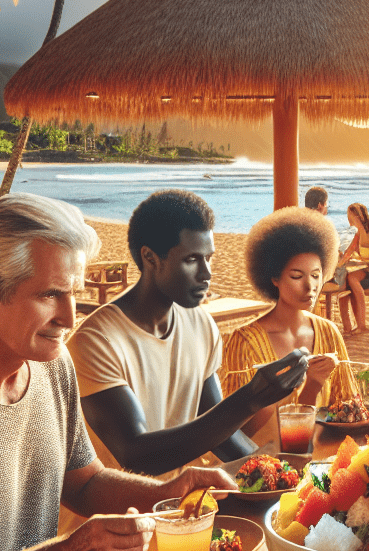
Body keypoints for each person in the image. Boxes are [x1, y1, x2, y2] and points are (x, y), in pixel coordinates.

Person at [0, 193, 237, 551]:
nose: (69, 318)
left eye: (73, 293)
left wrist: (168, 491)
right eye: (50, 295)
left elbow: (85, 483)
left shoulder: (52, 367)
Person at [65, 190, 307, 482]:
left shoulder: (200, 324)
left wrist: (283, 476)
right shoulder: (96, 341)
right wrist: (250, 399)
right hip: (114, 519)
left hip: (178, 510)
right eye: (192, 259)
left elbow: (218, 433)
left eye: (209, 258)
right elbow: (136, 456)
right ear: (150, 258)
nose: (206, 274)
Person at [221, 206, 355, 438]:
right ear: (274, 277)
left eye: (316, 275)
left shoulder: (329, 332)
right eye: (296, 276)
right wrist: (307, 385)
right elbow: (234, 434)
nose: (310, 287)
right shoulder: (244, 341)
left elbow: (349, 410)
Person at [336, 202, 369, 334]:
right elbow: (349, 252)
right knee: (346, 280)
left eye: (350, 215)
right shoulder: (357, 233)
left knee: (352, 279)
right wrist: (339, 262)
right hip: (366, 270)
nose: (348, 218)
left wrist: (360, 261)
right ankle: (350, 326)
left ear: (357, 216)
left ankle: (362, 325)